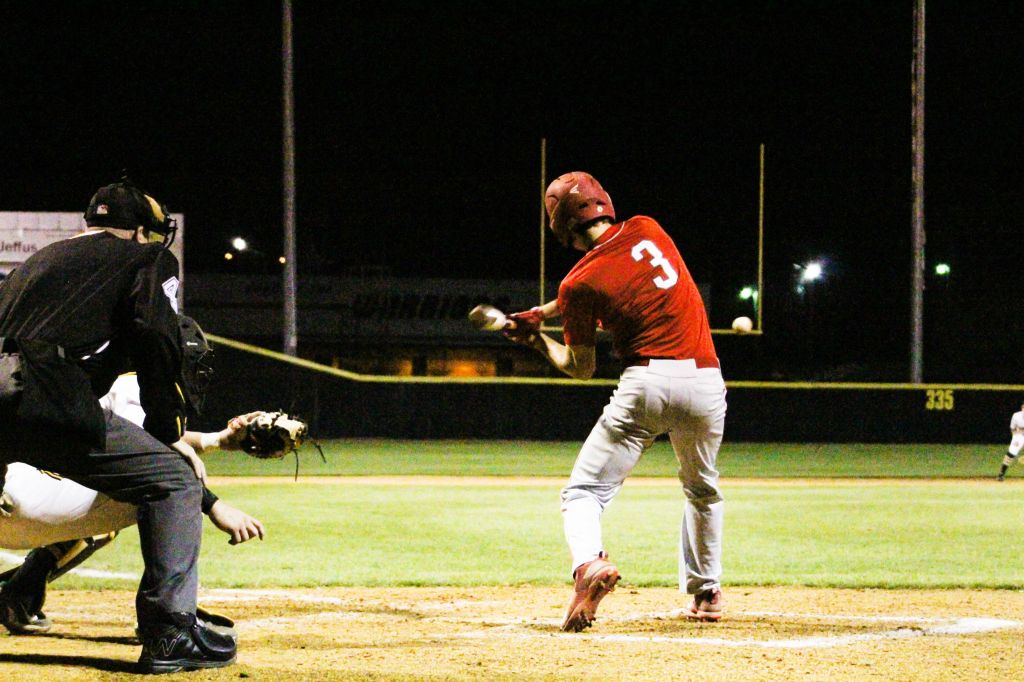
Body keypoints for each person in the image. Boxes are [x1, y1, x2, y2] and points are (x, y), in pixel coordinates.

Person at [0, 178, 236, 673]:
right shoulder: (146, 259)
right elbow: (156, 334)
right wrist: (170, 427)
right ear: (138, 232)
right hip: (45, 391)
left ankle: (23, 588)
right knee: (173, 480)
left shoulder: (38, 261)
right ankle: (170, 632)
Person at [503, 171, 728, 632]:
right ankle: (706, 594)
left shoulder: (577, 284)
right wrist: (542, 313)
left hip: (647, 383)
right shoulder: (648, 228)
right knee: (702, 490)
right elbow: (617, 272)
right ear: (603, 202)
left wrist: (537, 339)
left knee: (584, 492)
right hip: (706, 381)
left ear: (560, 225)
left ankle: (588, 564)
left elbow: (580, 365)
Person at [996, 402, 1024, 481]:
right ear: (1022, 408)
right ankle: (1001, 474)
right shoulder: (1016, 416)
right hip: (1019, 436)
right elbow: (1012, 428)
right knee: (1011, 453)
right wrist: (1015, 438)